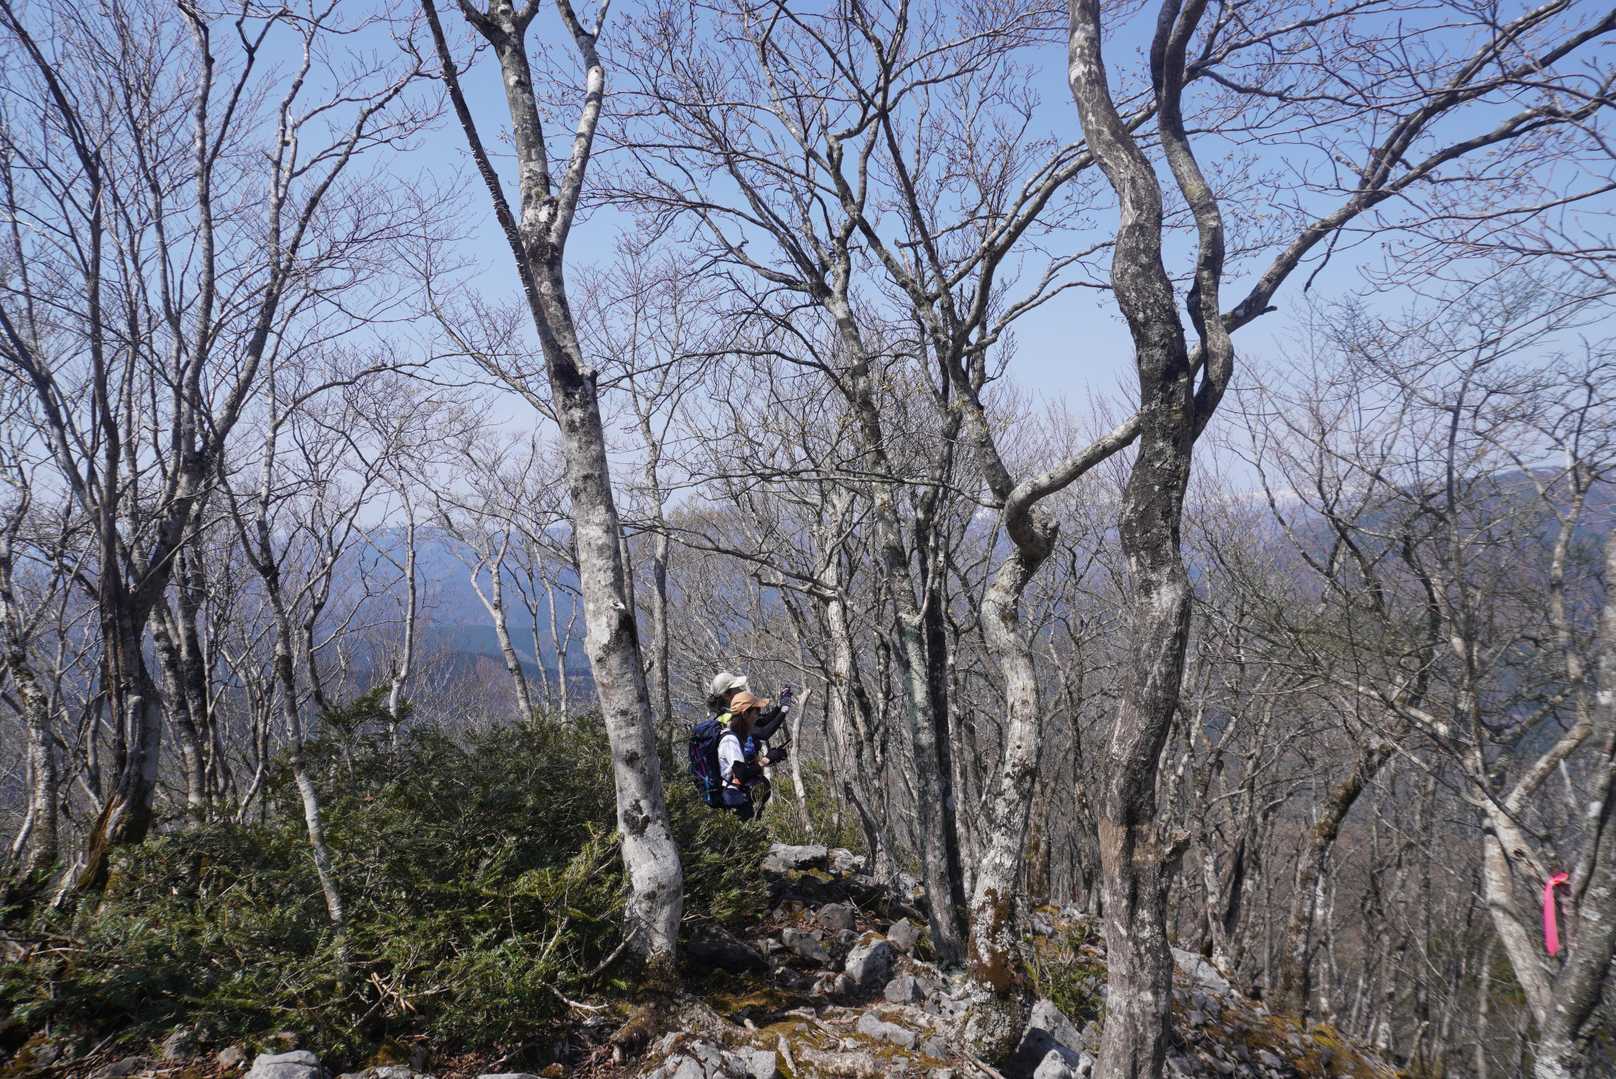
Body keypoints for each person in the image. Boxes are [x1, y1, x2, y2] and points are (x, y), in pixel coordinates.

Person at [717, 693, 772, 819]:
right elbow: (741, 774)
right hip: (731, 799)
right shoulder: (730, 740)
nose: (758, 716)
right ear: (745, 714)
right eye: (756, 711)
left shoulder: (738, 738)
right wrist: (766, 760)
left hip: (735, 797)